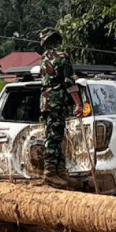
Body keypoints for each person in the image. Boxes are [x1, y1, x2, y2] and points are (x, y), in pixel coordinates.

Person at [38, 28, 82, 187]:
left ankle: (60, 170)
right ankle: (50, 172)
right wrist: (78, 103)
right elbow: (69, 82)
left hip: (46, 102)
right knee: (54, 137)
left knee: (56, 135)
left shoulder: (43, 59)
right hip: (57, 102)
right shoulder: (62, 57)